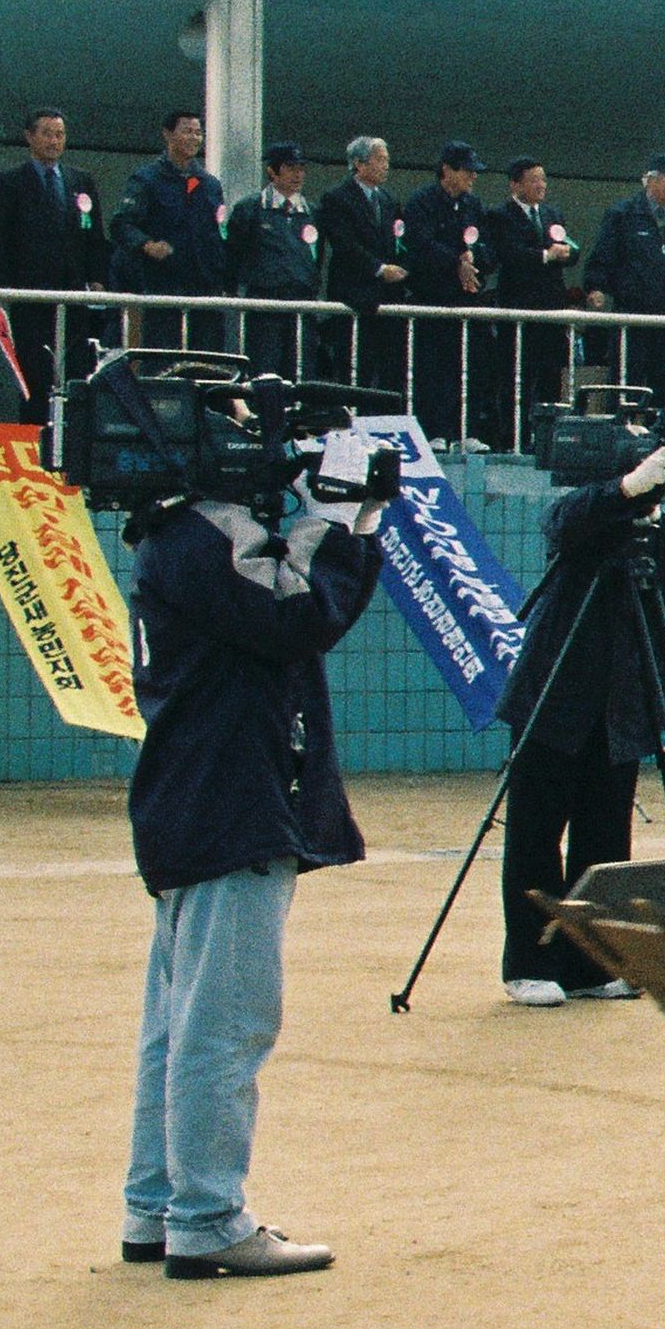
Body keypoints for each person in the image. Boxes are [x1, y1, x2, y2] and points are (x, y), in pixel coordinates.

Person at [121, 405, 391, 1277]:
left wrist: (346, 520)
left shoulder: (180, 530)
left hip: (199, 798)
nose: (259, 442)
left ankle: (158, 1206)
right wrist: (337, 520)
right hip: (230, 800)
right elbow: (298, 616)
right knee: (225, 1023)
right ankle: (206, 1217)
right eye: (237, 423)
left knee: (179, 1021)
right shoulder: (205, 534)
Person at [493, 439, 665, 1004]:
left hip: (624, 709)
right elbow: (564, 523)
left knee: (606, 843)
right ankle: (528, 963)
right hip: (553, 700)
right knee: (536, 838)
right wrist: (628, 490)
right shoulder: (592, 516)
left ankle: (593, 963)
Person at [0, 107, 102, 419]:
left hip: (73, 294)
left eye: (59, 134)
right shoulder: (8, 182)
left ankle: (73, 439)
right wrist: (4, 289)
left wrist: (97, 278)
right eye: (47, 134)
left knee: (76, 371)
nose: (54, 141)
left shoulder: (81, 181)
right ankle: (35, 438)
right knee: (35, 373)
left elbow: (94, 236)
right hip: (30, 295)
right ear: (29, 137)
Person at [394, 142, 498, 441]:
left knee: (474, 367)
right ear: (447, 170)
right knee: (434, 370)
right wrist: (455, 263)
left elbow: (487, 246)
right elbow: (420, 247)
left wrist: (473, 260)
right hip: (434, 300)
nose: (472, 178)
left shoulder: (473, 206)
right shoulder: (421, 203)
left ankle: (469, 431)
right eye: (466, 171)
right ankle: (434, 431)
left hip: (468, 300)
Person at [111, 108, 231, 356]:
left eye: (198, 133)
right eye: (187, 131)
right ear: (168, 134)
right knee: (163, 361)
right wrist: (147, 245)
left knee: (206, 363)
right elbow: (122, 225)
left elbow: (219, 234)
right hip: (162, 289)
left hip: (204, 291)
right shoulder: (146, 180)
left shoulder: (209, 184)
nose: (194, 138)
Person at [584, 155, 665, 415]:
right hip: (631, 314)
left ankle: (661, 439)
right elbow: (603, 255)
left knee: (664, 386)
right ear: (651, 179)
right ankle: (622, 434)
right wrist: (596, 286)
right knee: (626, 381)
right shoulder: (623, 214)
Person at [491, 156, 587, 439]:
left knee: (550, 378)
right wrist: (545, 255)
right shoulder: (501, 215)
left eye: (543, 179)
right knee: (516, 379)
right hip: (520, 308)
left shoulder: (551, 214)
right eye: (534, 180)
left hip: (551, 309)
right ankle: (511, 438)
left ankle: (548, 437)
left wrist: (567, 254)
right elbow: (509, 254)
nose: (540, 186)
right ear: (515, 184)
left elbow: (571, 246)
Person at [311, 136, 409, 394]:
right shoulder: (337, 198)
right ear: (359, 164)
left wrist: (400, 267)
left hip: (387, 298)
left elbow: (399, 240)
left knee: (388, 368)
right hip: (354, 294)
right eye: (379, 160)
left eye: (387, 160)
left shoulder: (388, 200)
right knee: (354, 367)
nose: (385, 165)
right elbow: (344, 244)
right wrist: (378, 268)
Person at [226, 143, 323, 384]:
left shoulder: (312, 211)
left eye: (301, 168)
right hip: (265, 302)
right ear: (272, 171)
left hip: (302, 302)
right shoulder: (250, 208)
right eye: (290, 168)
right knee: (264, 370)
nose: (298, 174)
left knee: (301, 370)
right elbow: (234, 253)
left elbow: (316, 257)